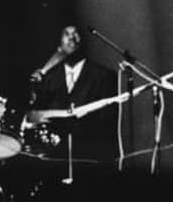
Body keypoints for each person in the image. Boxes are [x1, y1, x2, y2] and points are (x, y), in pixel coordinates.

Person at [29, 25, 118, 162]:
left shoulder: (103, 76)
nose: (71, 38)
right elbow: (35, 117)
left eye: (76, 34)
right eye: (66, 34)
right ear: (59, 43)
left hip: (89, 157)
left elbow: (108, 120)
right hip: (54, 158)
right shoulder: (47, 78)